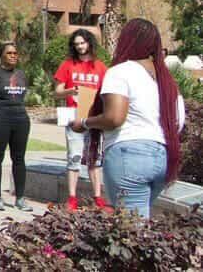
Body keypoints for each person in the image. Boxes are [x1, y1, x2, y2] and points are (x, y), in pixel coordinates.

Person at [72, 19, 186, 218]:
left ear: (127, 41)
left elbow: (115, 118)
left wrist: (84, 123)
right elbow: (179, 121)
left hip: (128, 156)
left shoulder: (120, 72)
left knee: (131, 231)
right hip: (162, 157)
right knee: (138, 224)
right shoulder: (167, 80)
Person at [53, 28, 110, 211]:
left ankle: (98, 197)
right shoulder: (67, 65)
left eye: (82, 43)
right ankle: (71, 197)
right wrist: (71, 91)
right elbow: (57, 92)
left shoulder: (100, 67)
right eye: (76, 44)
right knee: (74, 158)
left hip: (93, 118)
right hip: (73, 118)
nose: (79, 47)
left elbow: (107, 92)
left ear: (89, 43)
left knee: (95, 160)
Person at [0, 42, 32, 212]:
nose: (13, 56)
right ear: (1, 55)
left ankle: (20, 198)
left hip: (20, 119)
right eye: (9, 53)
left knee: (19, 158)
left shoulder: (21, 74)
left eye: (15, 53)